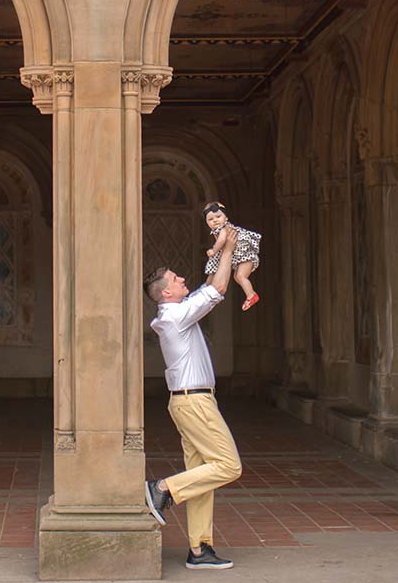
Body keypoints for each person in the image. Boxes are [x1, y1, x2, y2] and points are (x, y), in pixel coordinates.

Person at [142, 228, 243, 570]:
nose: (182, 277)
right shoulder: (174, 315)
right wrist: (228, 248)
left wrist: (223, 249)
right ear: (166, 291)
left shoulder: (178, 311)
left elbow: (208, 285)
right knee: (229, 466)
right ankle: (161, 489)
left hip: (191, 401)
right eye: (175, 277)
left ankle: (199, 550)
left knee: (202, 473)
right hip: (194, 402)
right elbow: (217, 289)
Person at [203, 201, 261, 311]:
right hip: (240, 256)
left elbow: (221, 241)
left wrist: (214, 250)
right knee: (237, 276)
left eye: (218, 216)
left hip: (245, 255)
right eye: (210, 219)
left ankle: (251, 295)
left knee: (240, 277)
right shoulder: (218, 230)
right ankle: (207, 289)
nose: (215, 220)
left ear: (226, 218)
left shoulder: (224, 229)